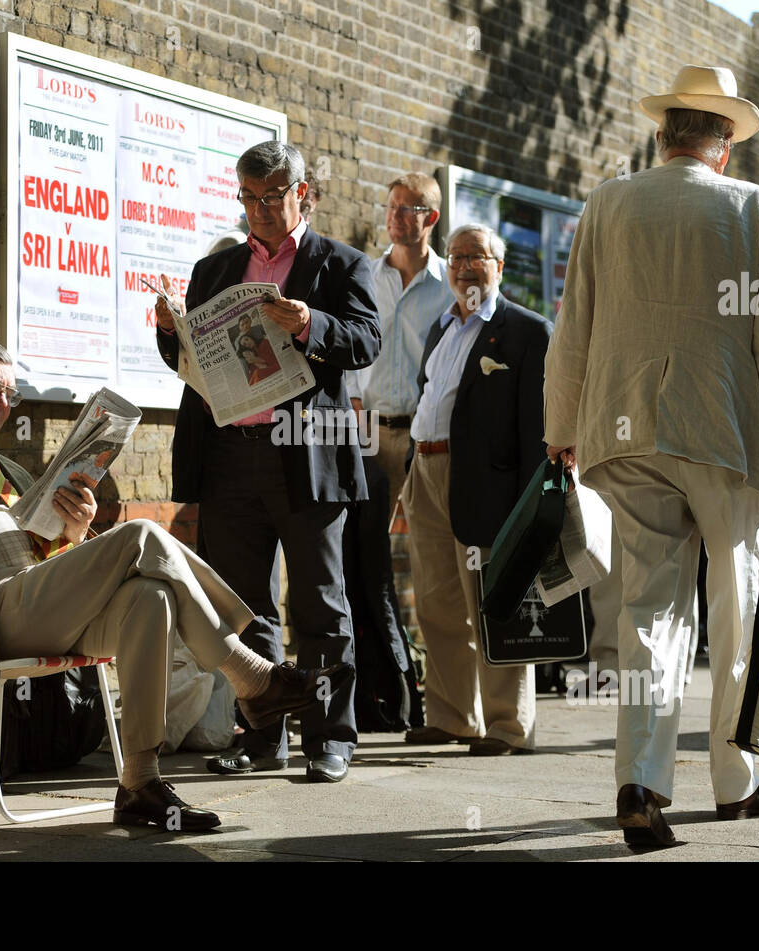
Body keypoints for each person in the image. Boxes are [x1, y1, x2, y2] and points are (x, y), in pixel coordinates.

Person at [0, 337, 348, 830]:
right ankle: (250, 674)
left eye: (10, 394)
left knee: (151, 596)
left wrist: (75, 532)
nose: (2, 403)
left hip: (40, 605)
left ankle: (139, 782)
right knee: (142, 533)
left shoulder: (7, 470)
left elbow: (52, 558)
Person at [544, 65, 759, 848]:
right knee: (736, 613)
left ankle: (642, 780)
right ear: (723, 144)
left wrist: (562, 426)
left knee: (646, 614)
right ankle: (734, 783)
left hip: (622, 431)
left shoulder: (607, 204)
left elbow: (574, 324)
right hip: (725, 432)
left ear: (663, 135)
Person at [154, 141, 380, 783]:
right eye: (249, 198)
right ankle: (261, 739)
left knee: (320, 603)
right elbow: (193, 367)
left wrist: (310, 323)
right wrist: (171, 334)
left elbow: (365, 342)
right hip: (230, 456)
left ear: (302, 194)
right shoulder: (217, 270)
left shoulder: (342, 264)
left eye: (272, 197)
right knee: (245, 607)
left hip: (305, 453)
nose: (259, 210)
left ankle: (331, 737)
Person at [400, 224, 550, 755]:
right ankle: (454, 715)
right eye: (456, 256)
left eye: (477, 256)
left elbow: (538, 428)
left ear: (499, 267)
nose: (465, 265)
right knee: (438, 603)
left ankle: (509, 725)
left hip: (488, 483)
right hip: (426, 474)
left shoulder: (527, 332)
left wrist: (532, 502)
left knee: (496, 602)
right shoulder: (441, 329)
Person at [347, 173, 454, 517]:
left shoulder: (450, 288)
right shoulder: (363, 278)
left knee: (427, 546)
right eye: (392, 206)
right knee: (368, 550)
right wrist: (355, 406)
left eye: (407, 209)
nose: (394, 216)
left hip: (426, 439)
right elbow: (350, 348)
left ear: (431, 217)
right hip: (370, 435)